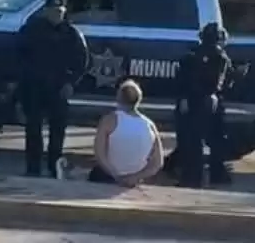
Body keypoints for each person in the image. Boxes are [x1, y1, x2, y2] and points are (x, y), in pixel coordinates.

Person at [17, 0, 88, 177]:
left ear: (64, 12)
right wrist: (23, 81)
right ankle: (32, 169)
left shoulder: (72, 34)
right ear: (46, 11)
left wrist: (71, 83)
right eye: (53, 11)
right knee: (33, 129)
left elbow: (82, 62)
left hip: (59, 88)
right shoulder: (31, 30)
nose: (56, 14)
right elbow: (18, 55)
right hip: (34, 87)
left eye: (60, 11)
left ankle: (54, 168)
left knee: (58, 131)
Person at [173, 21, 233, 188]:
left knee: (191, 141)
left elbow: (182, 80)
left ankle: (192, 178)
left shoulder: (192, 56)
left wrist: (184, 98)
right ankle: (215, 174)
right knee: (211, 140)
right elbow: (223, 83)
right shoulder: (221, 58)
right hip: (210, 102)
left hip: (194, 101)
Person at [88, 79, 164, 187]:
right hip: (134, 181)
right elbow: (158, 163)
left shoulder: (109, 120)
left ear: (119, 97)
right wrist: (135, 177)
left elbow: (99, 153)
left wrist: (114, 175)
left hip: (107, 177)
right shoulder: (150, 125)